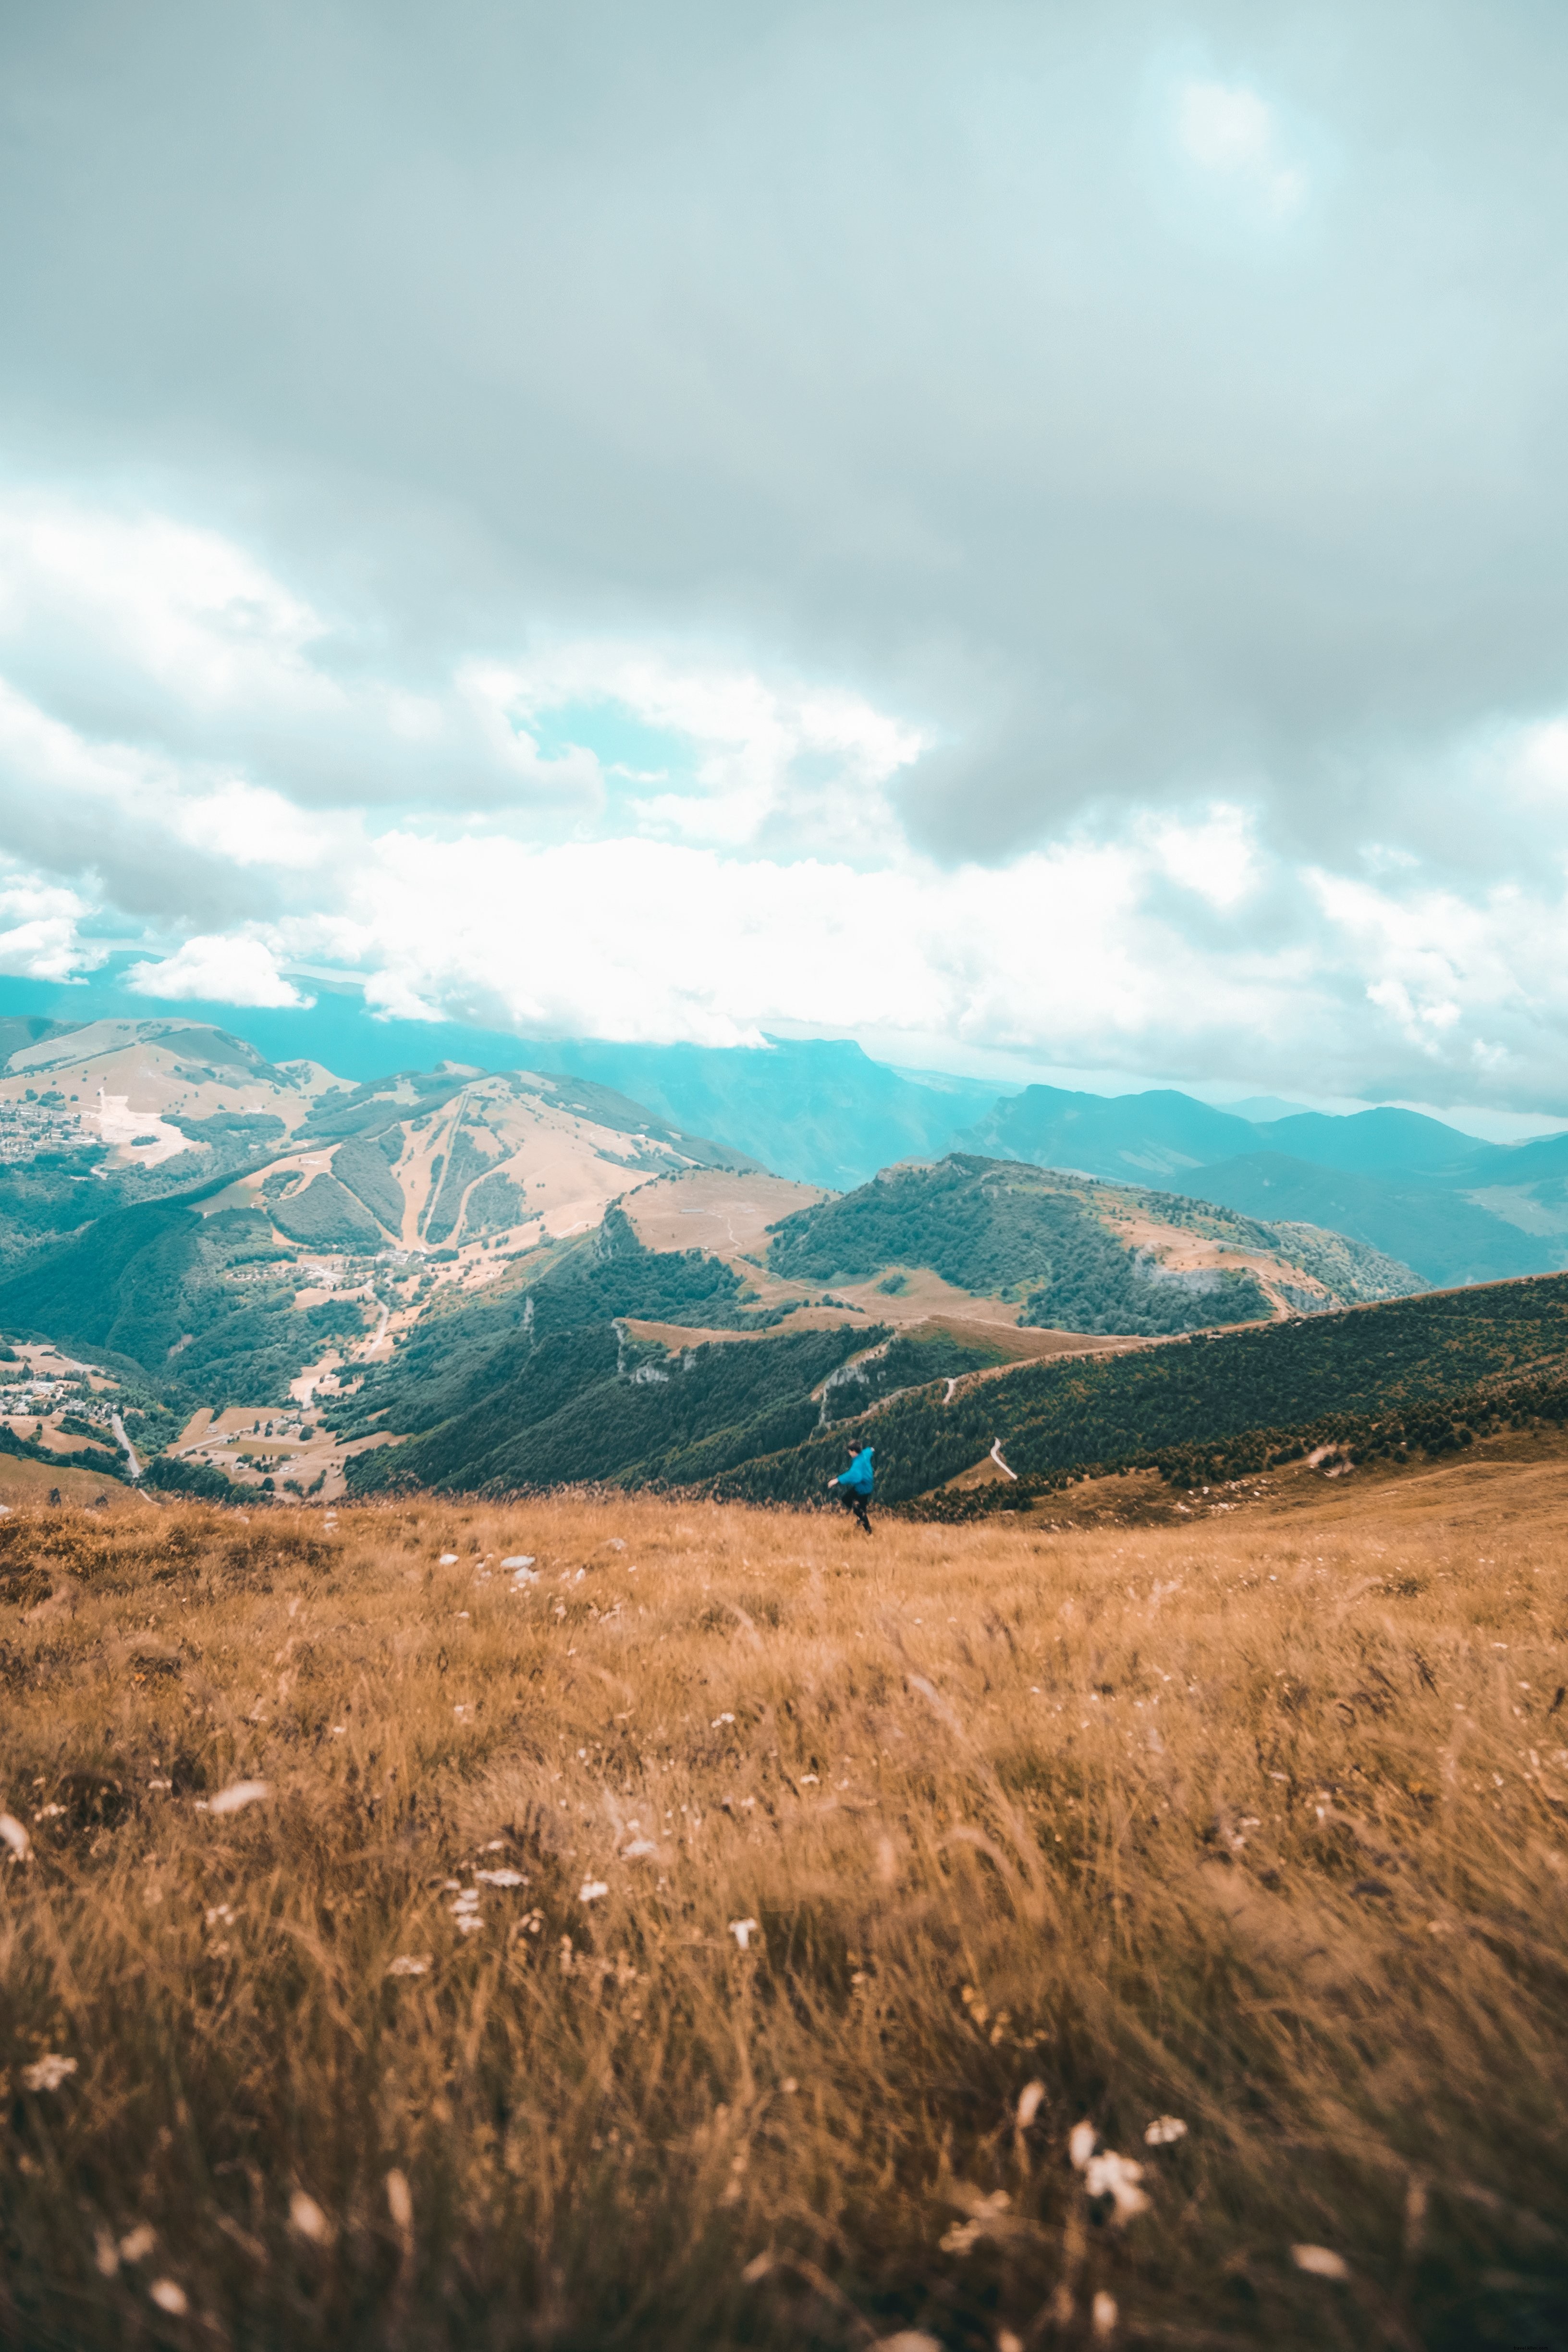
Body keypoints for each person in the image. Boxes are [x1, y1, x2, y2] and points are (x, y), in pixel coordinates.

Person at [831, 1442, 875, 1533]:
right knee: (854, 1503)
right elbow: (870, 1450)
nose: (849, 1454)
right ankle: (861, 1519)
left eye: (850, 1452)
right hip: (867, 1486)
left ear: (854, 1452)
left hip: (863, 1489)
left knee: (852, 1504)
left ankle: (868, 1531)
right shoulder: (865, 1454)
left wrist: (837, 1480)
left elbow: (854, 1476)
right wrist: (872, 1449)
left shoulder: (858, 1464)